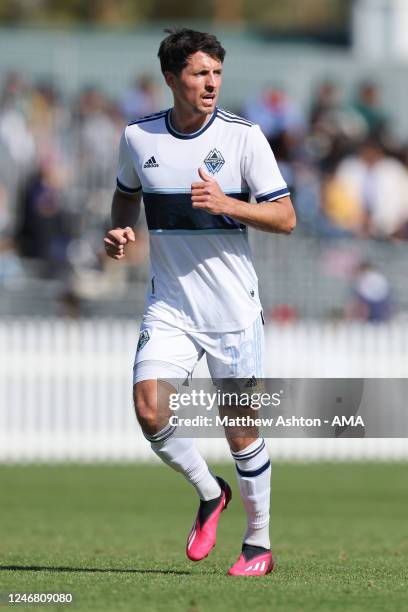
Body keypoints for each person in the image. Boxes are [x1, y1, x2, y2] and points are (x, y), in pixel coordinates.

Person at [104, 28, 295, 577]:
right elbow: (125, 192)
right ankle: (211, 493)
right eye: (198, 73)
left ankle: (258, 545)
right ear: (171, 79)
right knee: (149, 409)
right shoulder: (139, 137)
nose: (211, 83)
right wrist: (118, 229)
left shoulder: (244, 138)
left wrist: (228, 203)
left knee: (241, 431)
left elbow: (285, 217)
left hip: (232, 311)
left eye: (216, 73)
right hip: (170, 307)